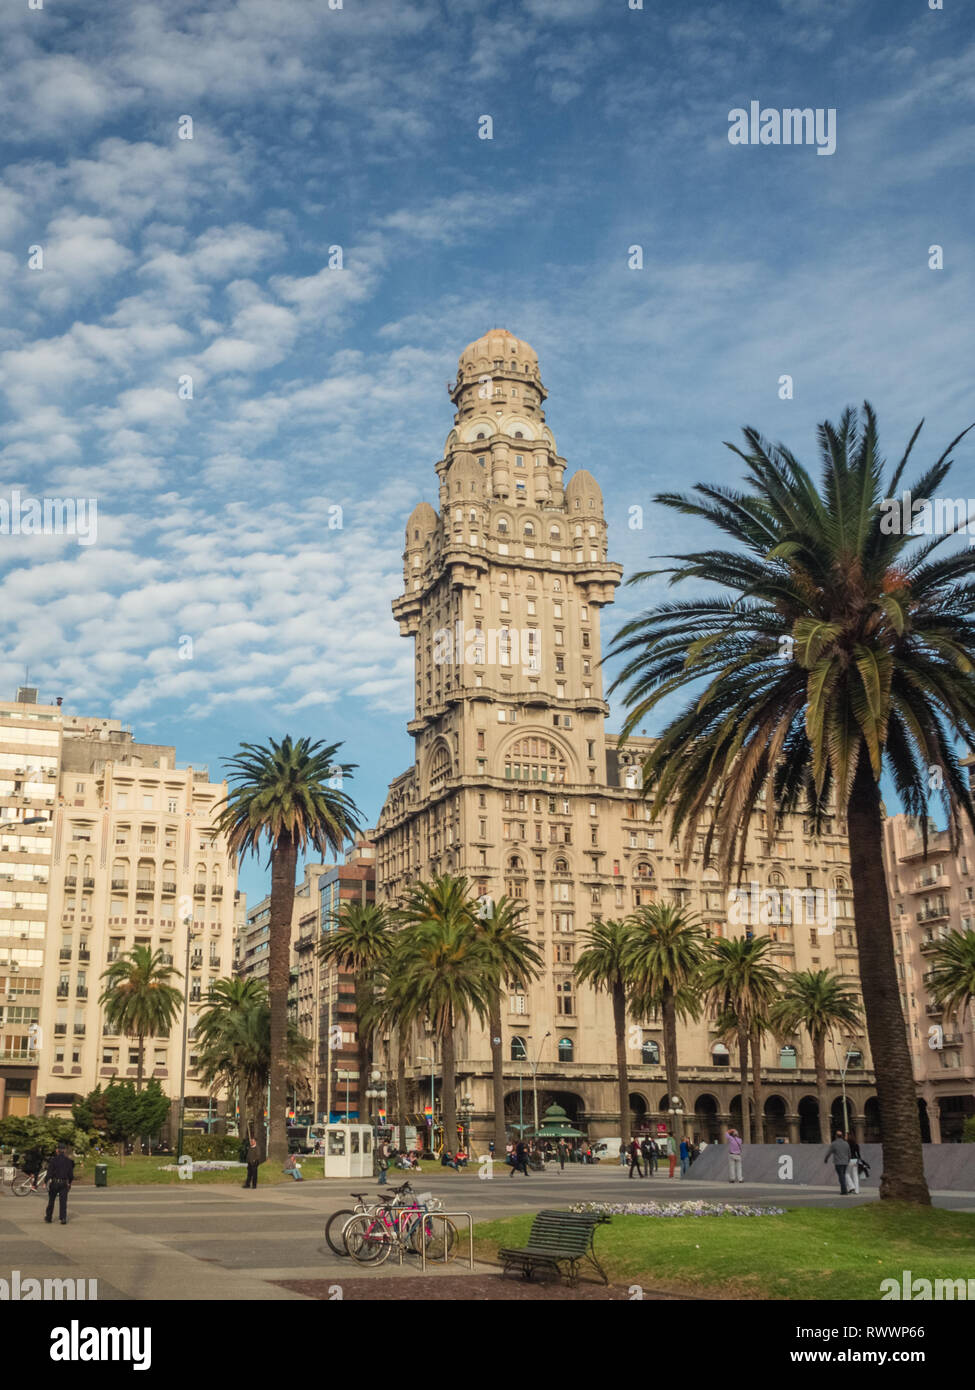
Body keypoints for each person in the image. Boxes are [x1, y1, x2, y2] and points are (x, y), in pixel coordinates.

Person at [44, 1142, 74, 1225]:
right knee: (63, 1201)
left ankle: (49, 1217)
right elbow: (70, 1174)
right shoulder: (68, 1161)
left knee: (51, 1200)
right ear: (64, 1150)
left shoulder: (53, 1160)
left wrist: (46, 1181)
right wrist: (70, 1182)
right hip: (64, 1183)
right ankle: (63, 1218)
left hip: (54, 1182)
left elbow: (49, 1172)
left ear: (57, 1150)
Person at [824, 1130, 851, 1195]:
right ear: (842, 1136)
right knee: (843, 1176)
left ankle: (844, 1191)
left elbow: (829, 1153)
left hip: (838, 1163)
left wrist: (826, 1159)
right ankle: (844, 1190)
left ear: (836, 1136)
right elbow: (849, 1153)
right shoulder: (846, 1143)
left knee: (841, 1176)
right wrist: (848, 1160)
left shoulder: (834, 1143)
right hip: (845, 1163)